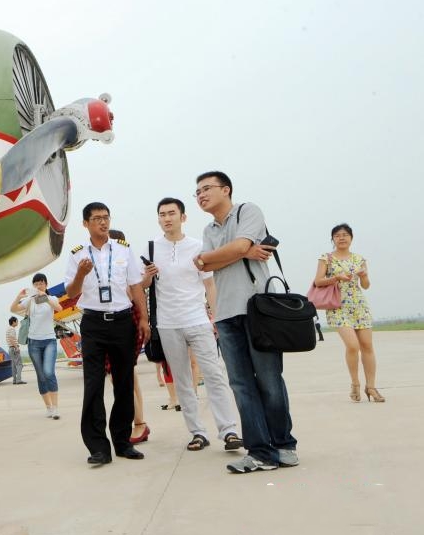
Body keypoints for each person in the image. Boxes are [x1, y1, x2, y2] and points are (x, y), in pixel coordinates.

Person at [192, 171, 297, 473]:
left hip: (258, 309)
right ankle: (260, 452)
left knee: (269, 381)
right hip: (225, 314)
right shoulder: (210, 228)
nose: (201, 195)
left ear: (226, 189)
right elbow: (204, 263)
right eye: (196, 192)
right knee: (241, 385)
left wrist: (225, 254)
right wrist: (239, 252)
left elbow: (216, 257)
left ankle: (284, 444)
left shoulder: (248, 211)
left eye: (206, 189)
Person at [141, 197, 242, 452]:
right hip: (167, 323)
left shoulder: (199, 246)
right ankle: (197, 432)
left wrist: (216, 316)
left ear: (183, 217)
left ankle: (228, 430)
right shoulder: (151, 248)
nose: (167, 218)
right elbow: (141, 287)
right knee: (183, 380)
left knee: (214, 375)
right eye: (162, 214)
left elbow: (210, 284)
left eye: (172, 213)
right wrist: (147, 277)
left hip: (197, 319)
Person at [65, 203, 149, 465]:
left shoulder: (123, 250)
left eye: (106, 218)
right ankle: (98, 447)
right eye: (97, 219)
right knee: (93, 385)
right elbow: (71, 293)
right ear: (85, 224)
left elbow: (135, 286)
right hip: (93, 323)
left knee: (124, 383)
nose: (103, 223)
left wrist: (144, 318)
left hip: (122, 321)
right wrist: (81, 272)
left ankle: (123, 442)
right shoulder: (78, 255)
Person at [314, 223, 384, 403]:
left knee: (367, 346)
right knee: (353, 346)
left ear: (351, 238)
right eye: (337, 235)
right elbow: (318, 281)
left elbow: (366, 286)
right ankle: (355, 384)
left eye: (345, 234)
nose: (342, 238)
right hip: (338, 306)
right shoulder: (326, 258)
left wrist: (363, 276)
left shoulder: (359, 259)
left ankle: (372, 387)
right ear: (333, 239)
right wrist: (336, 278)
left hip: (359, 305)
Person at [11, 273, 62, 417]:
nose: (38, 286)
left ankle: (56, 408)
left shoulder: (51, 298)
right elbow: (13, 309)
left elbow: (58, 308)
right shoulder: (30, 301)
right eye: (36, 284)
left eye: (41, 283)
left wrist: (43, 296)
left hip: (49, 340)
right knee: (41, 375)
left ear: (46, 284)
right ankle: (49, 407)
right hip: (33, 342)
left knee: (49, 372)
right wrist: (19, 297)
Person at [5, 317, 27, 385]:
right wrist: (16, 347)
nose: (17, 323)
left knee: (14, 365)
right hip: (14, 348)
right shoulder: (12, 329)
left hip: (10, 348)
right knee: (20, 364)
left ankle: (14, 380)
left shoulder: (8, 329)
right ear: (13, 322)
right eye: (17, 321)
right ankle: (19, 380)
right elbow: (11, 338)